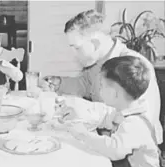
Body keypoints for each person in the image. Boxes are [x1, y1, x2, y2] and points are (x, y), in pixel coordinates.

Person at [40, 9, 163, 146]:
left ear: (95, 43)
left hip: (135, 153)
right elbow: (86, 84)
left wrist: (86, 109)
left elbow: (132, 114)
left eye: (77, 48)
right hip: (107, 140)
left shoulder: (134, 66)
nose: (74, 55)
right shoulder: (97, 62)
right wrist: (60, 83)